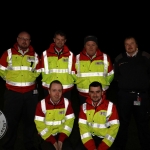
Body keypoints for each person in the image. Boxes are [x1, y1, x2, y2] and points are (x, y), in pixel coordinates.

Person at [0, 31, 41, 150]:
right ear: (17, 39)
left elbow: (38, 71)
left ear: (30, 41)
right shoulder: (8, 53)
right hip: (12, 94)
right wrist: (11, 81)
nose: (24, 41)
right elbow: (2, 71)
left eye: (27, 39)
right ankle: (8, 145)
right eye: (22, 38)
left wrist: (30, 79)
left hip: (30, 94)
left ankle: (29, 144)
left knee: (30, 121)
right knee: (10, 122)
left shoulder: (34, 55)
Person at [113, 36, 150, 150]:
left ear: (136, 45)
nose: (129, 46)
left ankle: (146, 146)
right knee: (123, 123)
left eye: (132, 43)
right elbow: (116, 76)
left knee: (143, 123)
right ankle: (120, 146)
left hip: (141, 96)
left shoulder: (146, 57)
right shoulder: (119, 58)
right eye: (126, 44)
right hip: (124, 96)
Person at [76, 81, 119, 150]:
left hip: (105, 139)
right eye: (92, 92)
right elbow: (83, 129)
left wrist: (102, 147)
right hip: (89, 137)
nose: (95, 95)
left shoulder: (111, 106)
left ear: (102, 92)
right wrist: (92, 147)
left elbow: (114, 128)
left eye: (97, 92)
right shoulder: (84, 107)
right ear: (89, 93)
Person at [34, 80, 75, 150]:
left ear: (62, 91)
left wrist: (61, 139)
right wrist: (52, 140)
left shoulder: (67, 103)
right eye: (54, 90)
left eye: (59, 91)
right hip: (46, 136)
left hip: (62, 135)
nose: (57, 94)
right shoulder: (41, 104)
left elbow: (69, 123)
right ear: (49, 91)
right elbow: (40, 125)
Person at [75, 35, 114, 105]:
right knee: (84, 115)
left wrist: (103, 85)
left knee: (101, 115)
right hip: (84, 95)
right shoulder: (77, 58)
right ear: (84, 46)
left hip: (101, 95)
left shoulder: (105, 57)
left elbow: (111, 74)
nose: (90, 47)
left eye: (93, 45)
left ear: (97, 46)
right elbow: (73, 74)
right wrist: (81, 84)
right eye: (88, 45)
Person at [40, 30, 76, 100]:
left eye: (62, 40)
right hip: (49, 89)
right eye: (58, 39)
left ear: (65, 40)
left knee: (65, 110)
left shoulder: (71, 55)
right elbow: (39, 71)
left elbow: (75, 73)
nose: (60, 42)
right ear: (54, 40)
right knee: (49, 110)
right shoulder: (45, 54)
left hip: (66, 90)